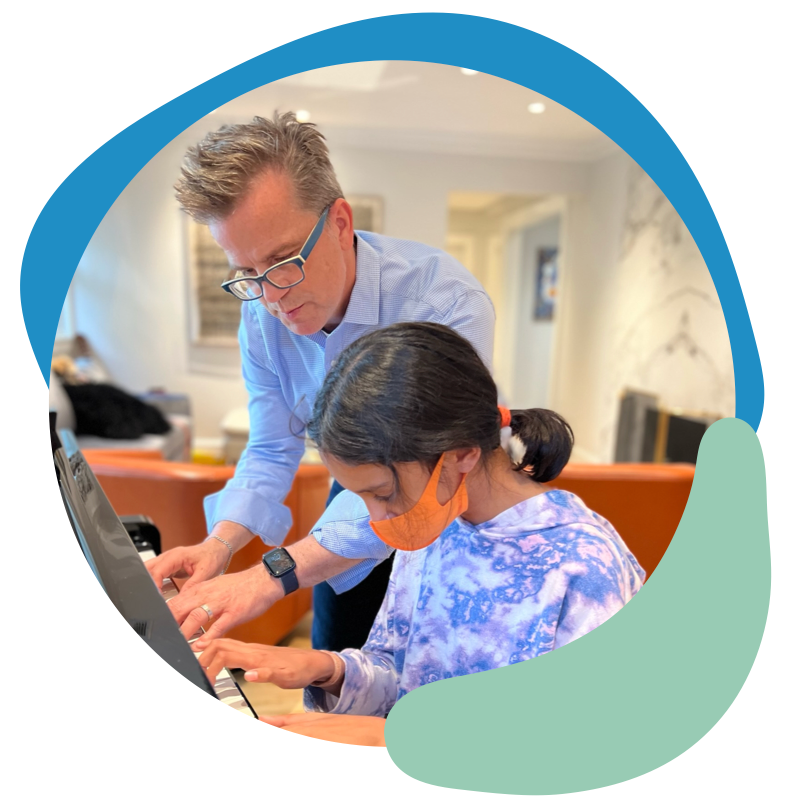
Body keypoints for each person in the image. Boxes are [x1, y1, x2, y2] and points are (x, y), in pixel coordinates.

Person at [145, 112, 495, 651]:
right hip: (354, 501)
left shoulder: (441, 301)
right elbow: (271, 444)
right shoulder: (262, 314)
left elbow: (419, 481)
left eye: (284, 260)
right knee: (338, 672)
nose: (272, 296)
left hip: (456, 512)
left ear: (339, 223)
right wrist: (221, 544)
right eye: (247, 273)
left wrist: (270, 575)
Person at [194, 322, 646, 725]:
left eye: (383, 494)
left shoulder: (585, 569)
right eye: (360, 496)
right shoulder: (437, 524)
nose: (376, 519)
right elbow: (399, 675)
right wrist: (329, 671)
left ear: (462, 454)